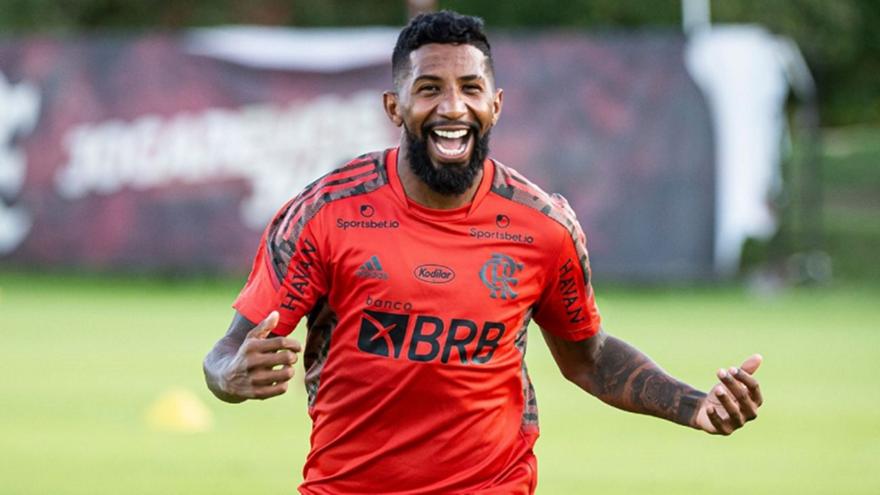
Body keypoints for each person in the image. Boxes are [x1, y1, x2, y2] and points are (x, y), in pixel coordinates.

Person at [203, 10, 764, 494]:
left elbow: (588, 359)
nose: (453, 107)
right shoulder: (325, 212)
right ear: (395, 107)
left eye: (470, 88)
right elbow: (226, 351)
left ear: (495, 105)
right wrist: (230, 375)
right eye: (429, 89)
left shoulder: (543, 226)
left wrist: (695, 405)